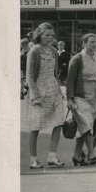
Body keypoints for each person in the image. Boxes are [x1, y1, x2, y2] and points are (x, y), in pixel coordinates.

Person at [24, 22, 67, 169]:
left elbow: (55, 73)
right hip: (39, 90)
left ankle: (52, 155)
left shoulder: (54, 51)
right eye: (47, 35)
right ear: (39, 35)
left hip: (53, 88)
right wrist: (35, 96)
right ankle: (33, 159)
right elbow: (29, 76)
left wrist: (60, 90)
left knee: (59, 120)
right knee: (36, 125)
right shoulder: (34, 51)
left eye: (52, 35)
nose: (50, 38)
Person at [66, 32, 96, 167]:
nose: (94, 44)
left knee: (84, 126)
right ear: (84, 43)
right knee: (86, 125)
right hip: (79, 97)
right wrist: (70, 99)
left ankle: (76, 156)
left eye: (95, 42)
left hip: (93, 97)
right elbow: (70, 80)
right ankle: (92, 154)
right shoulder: (77, 59)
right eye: (91, 42)